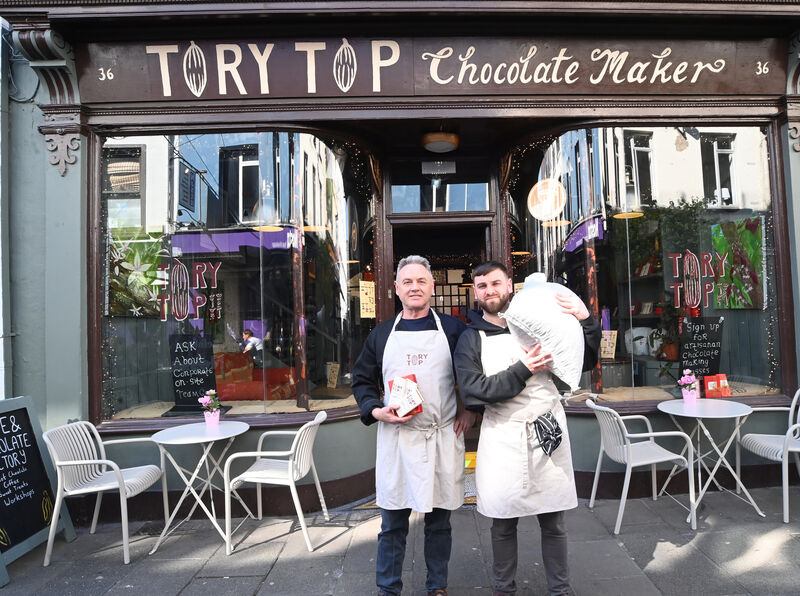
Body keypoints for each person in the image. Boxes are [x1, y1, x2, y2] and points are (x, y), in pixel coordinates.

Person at [453, 261, 601, 596]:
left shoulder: (539, 322)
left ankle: (560, 591)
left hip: (546, 431)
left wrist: (585, 320)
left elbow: (584, 362)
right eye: (482, 286)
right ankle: (504, 590)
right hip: (502, 436)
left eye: (495, 283)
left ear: (510, 285)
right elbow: (475, 391)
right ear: (475, 292)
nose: (490, 291)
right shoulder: (470, 338)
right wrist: (524, 368)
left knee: (554, 522)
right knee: (503, 522)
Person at [352, 255, 476, 596]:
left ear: (432, 287)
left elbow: (472, 374)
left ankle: (437, 586)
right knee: (392, 523)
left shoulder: (453, 330)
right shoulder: (380, 335)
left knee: (439, 522)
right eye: (407, 282)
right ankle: (388, 588)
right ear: (396, 289)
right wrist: (376, 411)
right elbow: (362, 381)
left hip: (441, 437)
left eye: (421, 281)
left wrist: (470, 409)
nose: (415, 287)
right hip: (398, 439)